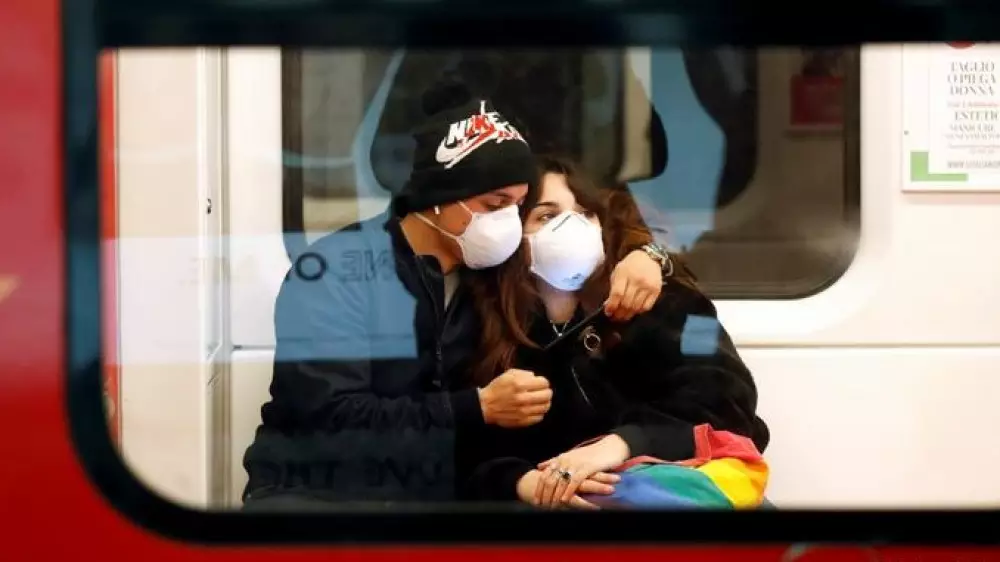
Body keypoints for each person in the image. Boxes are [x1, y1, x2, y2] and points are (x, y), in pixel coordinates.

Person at [241, 80, 671, 509]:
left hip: (430, 497)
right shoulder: (338, 270)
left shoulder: (489, 276)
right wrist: (475, 408)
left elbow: (595, 238)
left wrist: (648, 255)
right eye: (494, 205)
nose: (507, 221)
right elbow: (330, 420)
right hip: (315, 492)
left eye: (517, 206)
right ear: (438, 199)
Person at [460, 155, 770, 509]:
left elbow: (727, 398)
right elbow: (467, 446)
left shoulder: (661, 297)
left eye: (585, 213)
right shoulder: (487, 325)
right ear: (515, 235)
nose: (572, 227)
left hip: (678, 483)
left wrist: (622, 443)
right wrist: (519, 480)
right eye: (546, 216)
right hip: (564, 501)